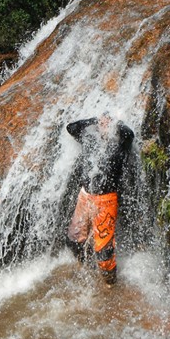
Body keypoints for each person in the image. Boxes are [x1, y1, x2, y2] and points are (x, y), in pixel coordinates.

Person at [65, 112, 134, 286]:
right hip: (85, 197)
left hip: (106, 202)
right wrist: (93, 120)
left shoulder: (119, 143)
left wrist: (115, 123)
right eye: (102, 122)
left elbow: (129, 134)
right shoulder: (90, 138)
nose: (104, 125)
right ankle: (85, 267)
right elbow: (71, 128)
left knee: (104, 254)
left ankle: (110, 284)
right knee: (73, 240)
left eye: (107, 123)